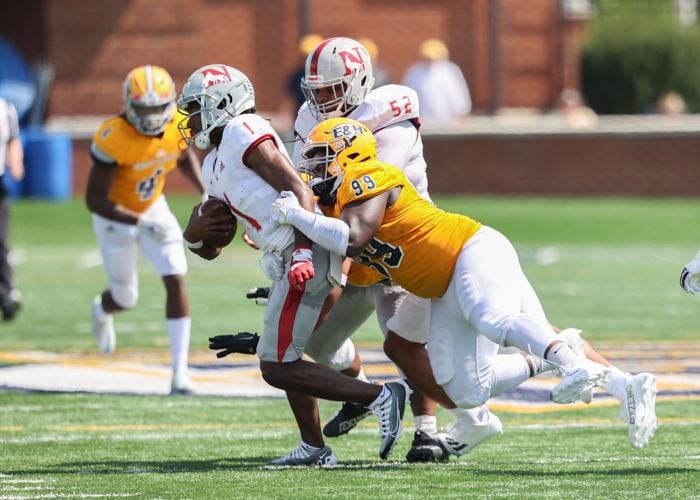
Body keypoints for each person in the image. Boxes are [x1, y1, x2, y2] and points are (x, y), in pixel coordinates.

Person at [271, 117, 659, 450]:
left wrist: (296, 216)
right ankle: (563, 364)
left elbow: (353, 237)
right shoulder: (331, 211)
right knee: (466, 389)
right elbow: (338, 273)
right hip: (438, 289)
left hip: (468, 252)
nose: (311, 172)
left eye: (321, 160)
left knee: (494, 319)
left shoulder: (369, 175)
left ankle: (570, 362)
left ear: (349, 155)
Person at [176, 63, 409, 466]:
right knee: (286, 356)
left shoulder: (241, 130)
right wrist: (193, 235)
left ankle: (379, 396)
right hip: (289, 257)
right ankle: (315, 447)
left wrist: (302, 251)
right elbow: (212, 247)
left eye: (196, 108)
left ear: (223, 103)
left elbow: (296, 187)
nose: (191, 119)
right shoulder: (214, 163)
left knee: (277, 364)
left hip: (307, 251)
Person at [292, 35, 466, 462]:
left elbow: (365, 198)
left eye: (332, 89)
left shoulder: (390, 117)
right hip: (348, 244)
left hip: (396, 247)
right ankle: (362, 393)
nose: (323, 100)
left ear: (358, 83)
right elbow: (305, 184)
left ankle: (427, 431)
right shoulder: (307, 119)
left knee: (405, 344)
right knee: (318, 344)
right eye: (316, 92)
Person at [85, 65, 205, 395]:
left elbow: (181, 157)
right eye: (144, 108)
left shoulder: (178, 125)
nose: (152, 115)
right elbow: (95, 199)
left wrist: (204, 189)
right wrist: (138, 222)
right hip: (115, 217)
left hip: (153, 205)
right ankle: (102, 309)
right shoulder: (113, 136)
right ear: (128, 104)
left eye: (157, 107)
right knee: (126, 296)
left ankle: (180, 372)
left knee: (175, 276)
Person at [401, 38, 471, 125]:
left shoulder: (450, 71)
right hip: (422, 126)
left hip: (449, 125)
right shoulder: (414, 72)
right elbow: (406, 99)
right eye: (427, 58)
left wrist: (461, 118)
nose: (430, 61)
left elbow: (459, 98)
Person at [0, 97, 24, 321]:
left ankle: (6, 294)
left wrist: (16, 162)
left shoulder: (5, 109)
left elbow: (13, 140)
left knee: (1, 240)